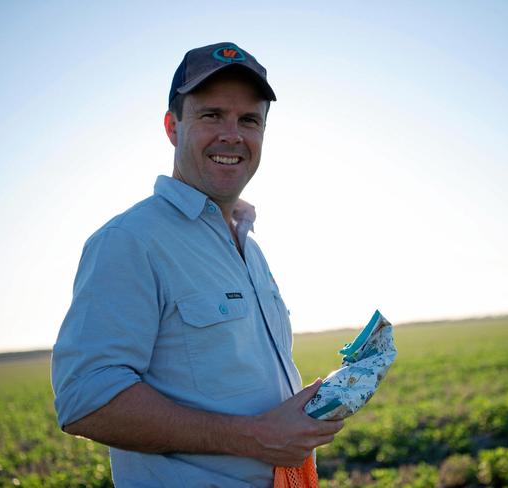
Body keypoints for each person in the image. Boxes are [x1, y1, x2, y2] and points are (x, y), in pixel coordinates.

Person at [51, 42, 343, 487]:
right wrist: (256, 438)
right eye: (211, 116)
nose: (232, 135)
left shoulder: (248, 245)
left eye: (249, 120)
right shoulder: (129, 241)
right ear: (173, 126)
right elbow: (86, 400)